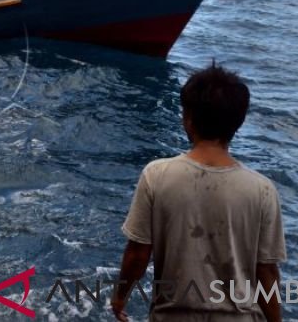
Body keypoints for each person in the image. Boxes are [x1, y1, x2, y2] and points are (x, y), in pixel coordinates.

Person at [112, 64, 286, 322]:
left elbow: (137, 254)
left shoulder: (157, 175)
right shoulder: (262, 189)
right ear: (238, 123)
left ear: (188, 119)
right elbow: (266, 271)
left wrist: (119, 297)